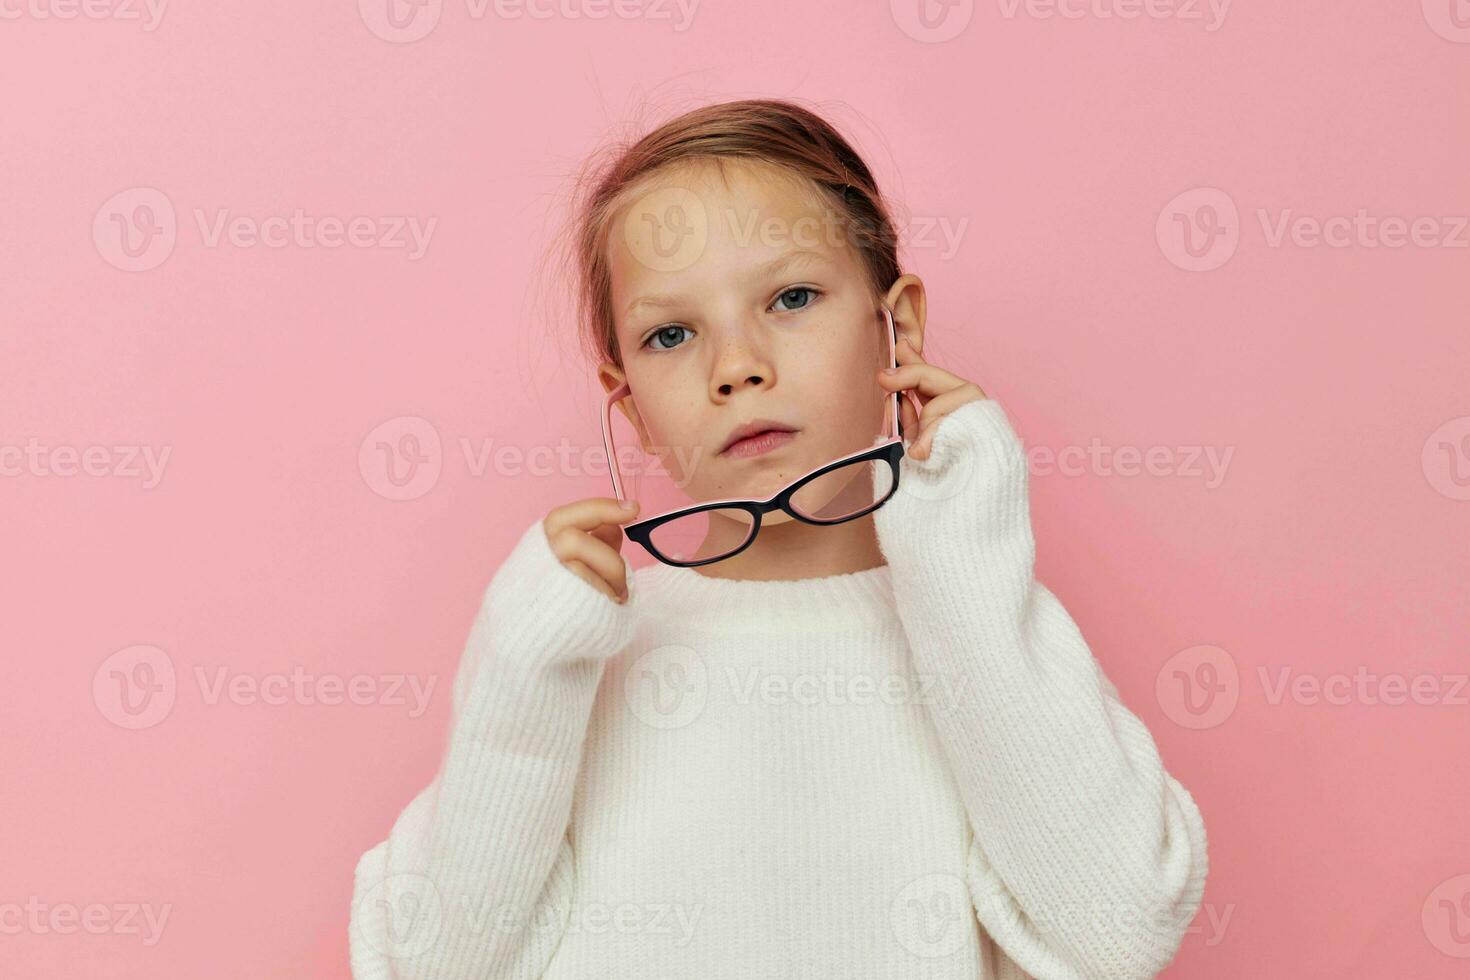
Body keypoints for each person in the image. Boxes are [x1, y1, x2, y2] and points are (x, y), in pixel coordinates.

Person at [348, 98, 1208, 980]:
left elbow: (1119, 932)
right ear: (630, 402)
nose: (737, 366)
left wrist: (965, 558)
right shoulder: (582, 660)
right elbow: (436, 965)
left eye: (792, 297)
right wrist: (521, 677)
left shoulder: (979, 628)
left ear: (897, 327)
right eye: (671, 333)